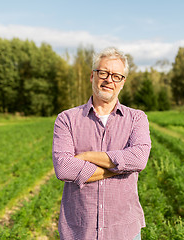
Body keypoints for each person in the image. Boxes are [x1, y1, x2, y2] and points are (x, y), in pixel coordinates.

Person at [52, 47, 151, 240]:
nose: (109, 80)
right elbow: (64, 168)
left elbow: (139, 159)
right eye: (103, 72)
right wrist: (121, 167)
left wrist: (87, 157)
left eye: (116, 76)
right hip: (79, 231)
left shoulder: (137, 118)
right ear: (92, 76)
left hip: (124, 231)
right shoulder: (66, 119)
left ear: (122, 82)